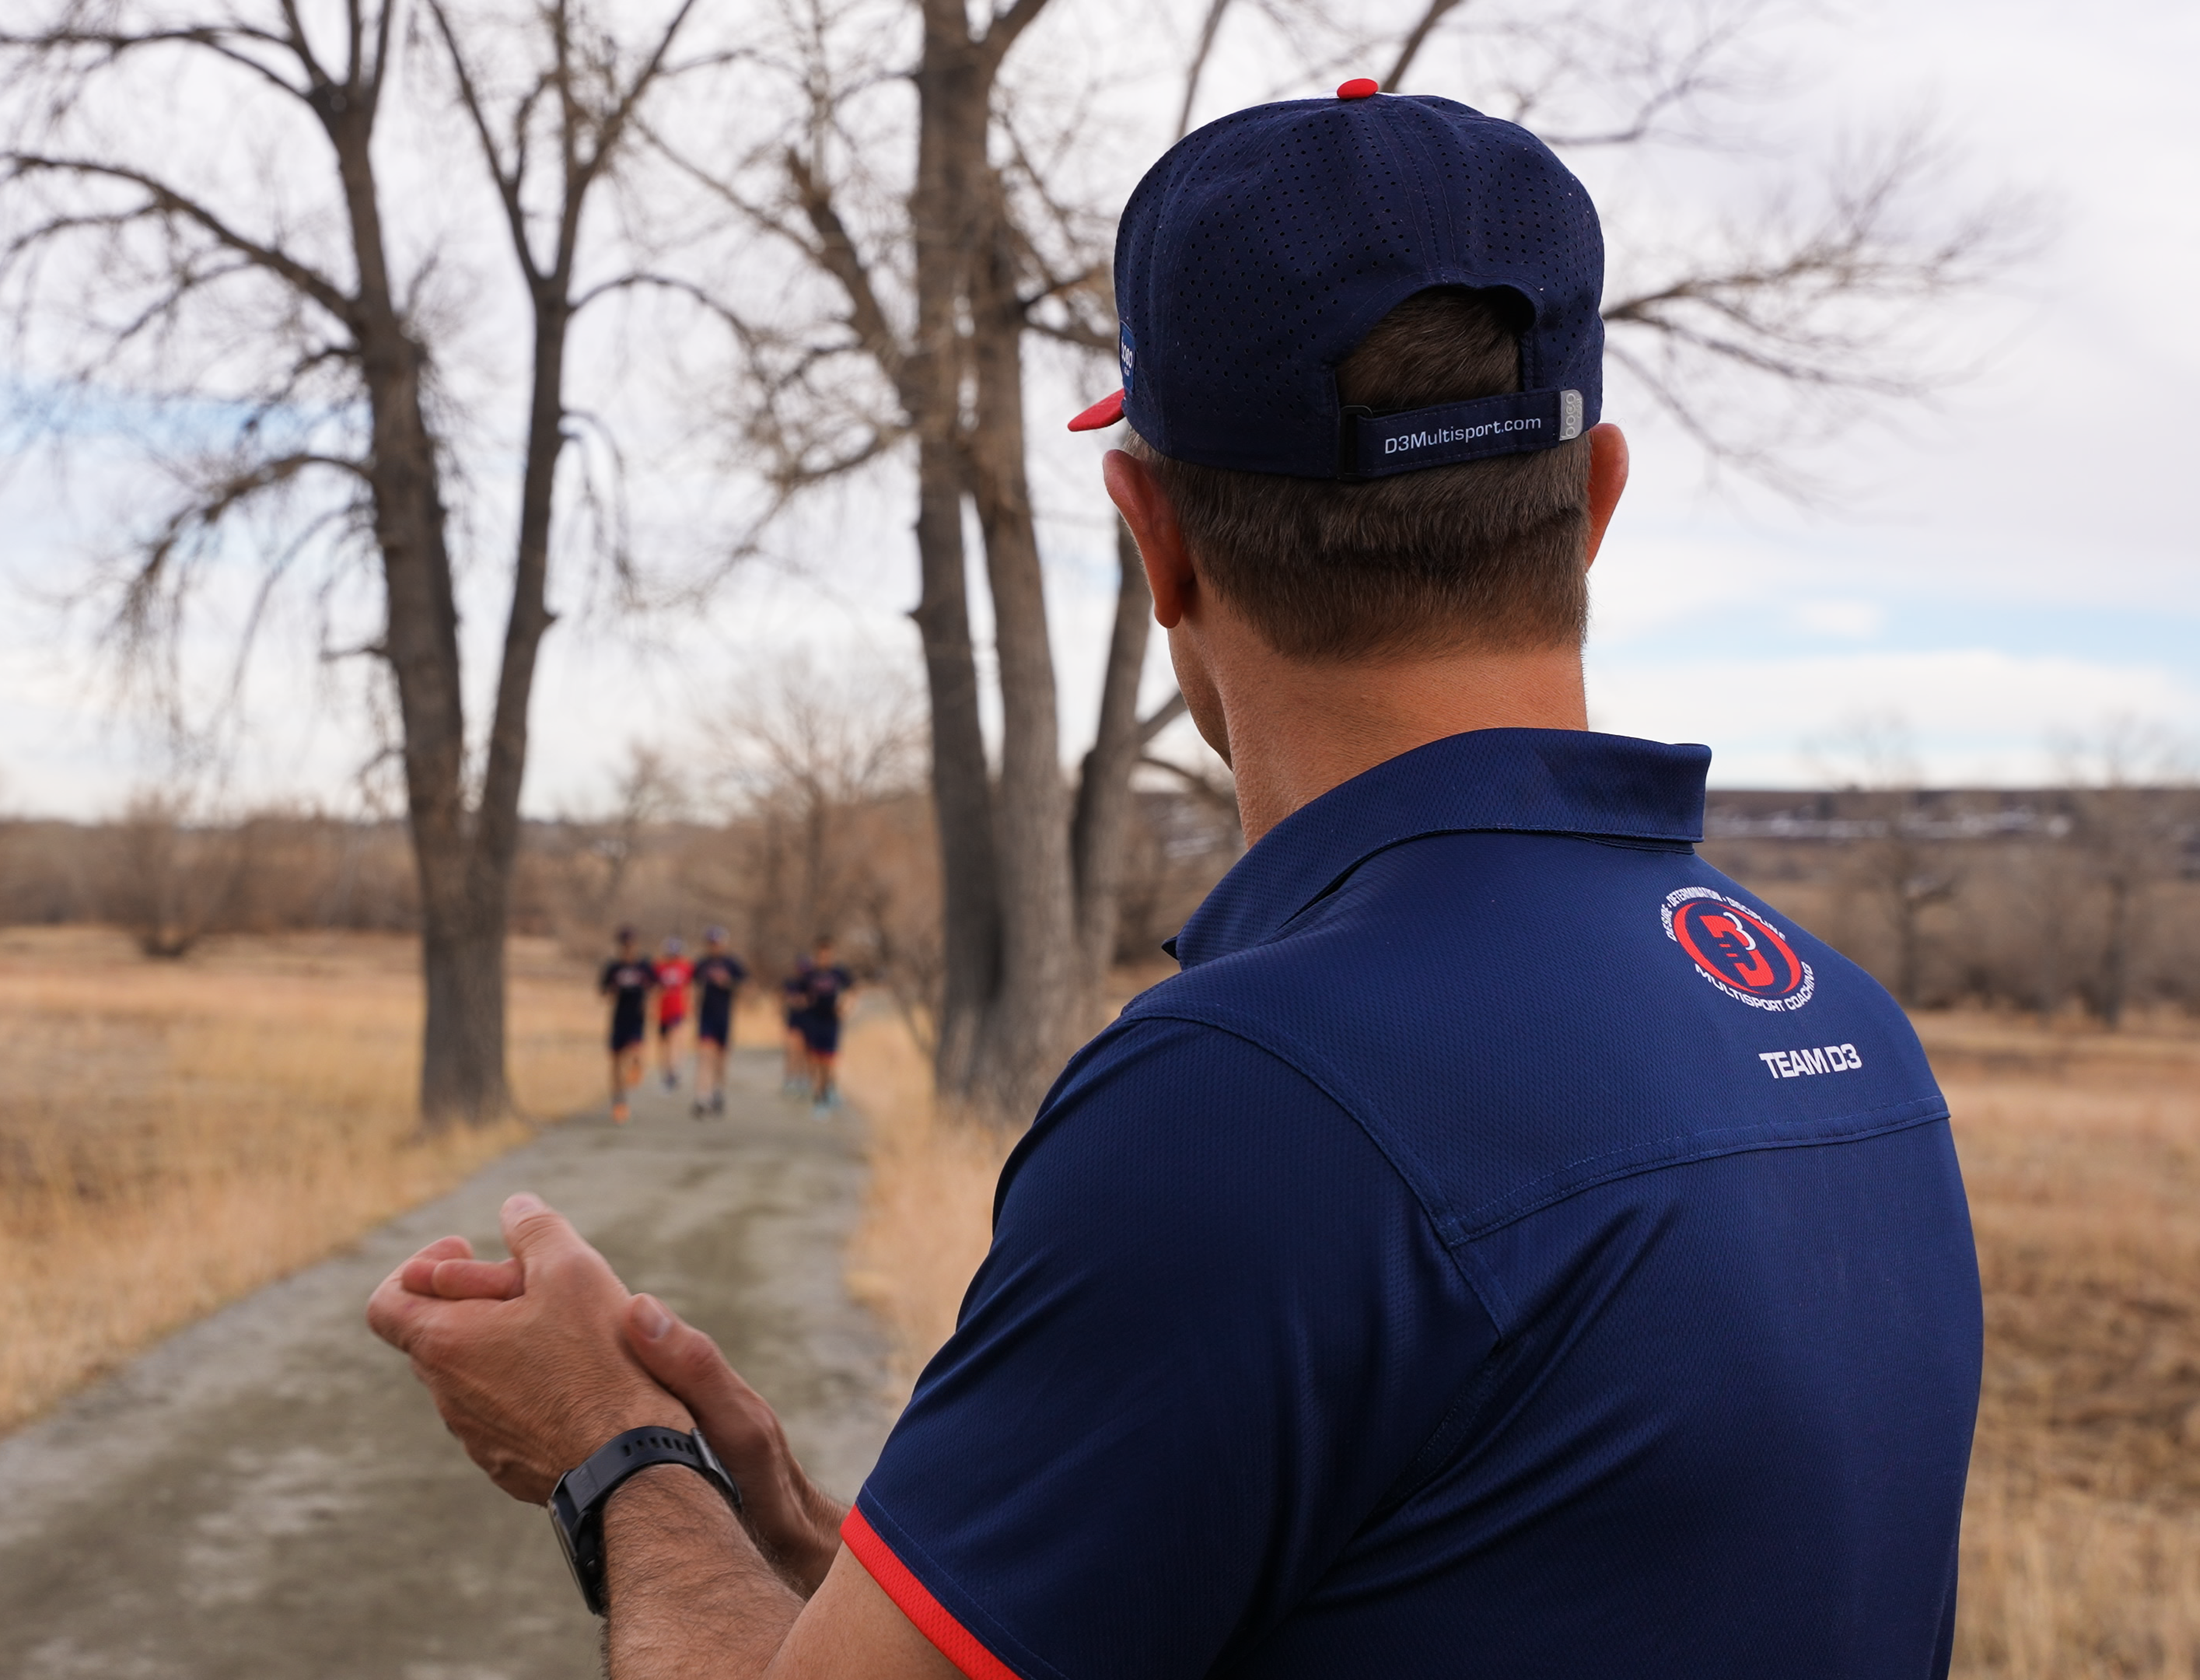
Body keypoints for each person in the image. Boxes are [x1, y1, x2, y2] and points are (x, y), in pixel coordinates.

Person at [371, 82, 1979, 1680]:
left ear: (1157, 538)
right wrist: (824, 1550)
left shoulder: (1254, 1097)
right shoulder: (1854, 1041)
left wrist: (616, 1457)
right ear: (1597, 498)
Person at [595, 927, 656, 1124]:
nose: (628, 949)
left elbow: (656, 987)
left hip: (637, 1018)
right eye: (625, 945)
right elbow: (603, 992)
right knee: (615, 1063)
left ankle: (637, 1067)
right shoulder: (613, 967)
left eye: (631, 945)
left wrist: (650, 1004)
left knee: (635, 1051)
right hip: (619, 1019)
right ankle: (619, 1103)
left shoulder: (644, 966)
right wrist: (612, 990)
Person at [688, 928, 748, 1118]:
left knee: (721, 1059)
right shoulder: (702, 964)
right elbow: (693, 986)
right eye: (711, 943)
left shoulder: (732, 964)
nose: (714, 947)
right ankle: (701, 1097)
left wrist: (728, 983)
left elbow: (745, 987)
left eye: (717, 943)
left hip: (724, 1017)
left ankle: (717, 1092)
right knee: (705, 1056)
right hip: (706, 1017)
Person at [793, 936, 852, 1115]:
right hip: (813, 1020)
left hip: (831, 1021)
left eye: (828, 955)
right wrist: (802, 1001)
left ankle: (826, 1093)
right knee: (814, 1059)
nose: (825, 959)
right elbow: (799, 995)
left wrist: (845, 1006)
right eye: (821, 955)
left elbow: (853, 990)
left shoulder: (839, 973)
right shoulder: (810, 975)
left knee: (828, 1060)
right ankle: (818, 1095)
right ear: (817, 955)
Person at [652, 937, 695, 1091]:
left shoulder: (686, 967)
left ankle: (674, 1072)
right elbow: (654, 988)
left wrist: (691, 1008)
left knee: (675, 1040)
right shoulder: (659, 968)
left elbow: (690, 987)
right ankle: (667, 1073)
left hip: (678, 1010)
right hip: (663, 1012)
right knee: (664, 1044)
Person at [776, 950, 814, 1096]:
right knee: (792, 1051)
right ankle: (789, 1079)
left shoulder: (812, 984)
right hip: (794, 1021)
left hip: (809, 1022)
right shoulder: (791, 983)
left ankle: (804, 1079)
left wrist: (803, 1001)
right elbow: (784, 999)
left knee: (806, 1052)